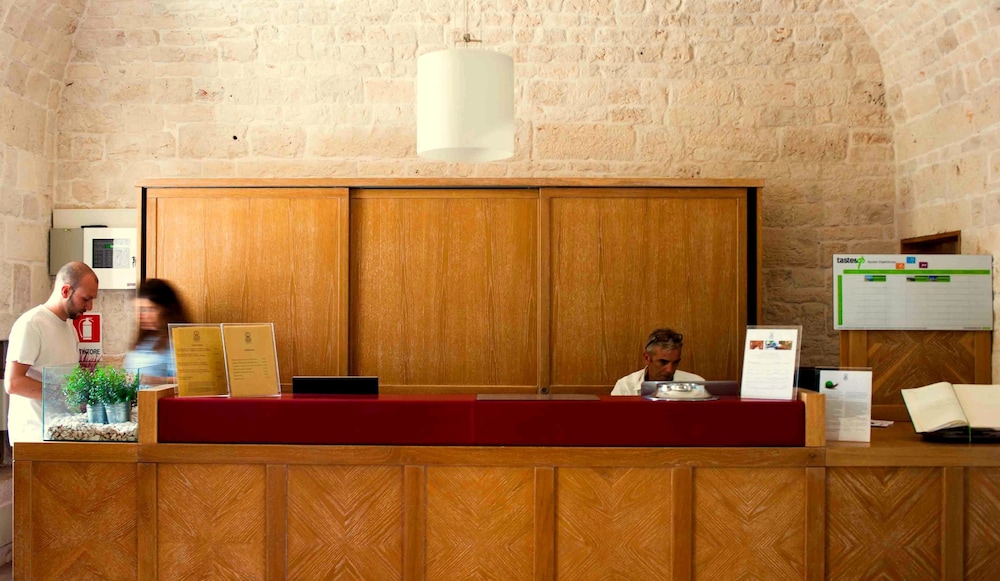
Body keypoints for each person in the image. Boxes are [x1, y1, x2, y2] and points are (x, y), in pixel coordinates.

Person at [4, 262, 99, 443]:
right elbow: (13, 383)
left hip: (61, 432)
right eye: (86, 299)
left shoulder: (69, 327)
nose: (90, 306)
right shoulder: (31, 324)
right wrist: (66, 395)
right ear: (65, 291)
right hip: (34, 437)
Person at [124, 279, 189, 384]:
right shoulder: (144, 340)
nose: (142, 316)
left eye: (150, 309)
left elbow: (188, 381)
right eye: (140, 309)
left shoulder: (177, 342)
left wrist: (155, 380)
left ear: (166, 310)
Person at [611, 328, 705, 396]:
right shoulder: (625, 387)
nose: (670, 370)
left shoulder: (697, 385)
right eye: (663, 362)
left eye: (675, 362)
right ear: (647, 358)